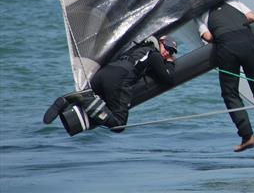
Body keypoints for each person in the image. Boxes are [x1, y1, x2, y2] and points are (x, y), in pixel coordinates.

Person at [198, 0, 254, 152]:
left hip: (227, 47)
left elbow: (207, 37)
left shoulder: (201, 14)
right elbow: (252, 16)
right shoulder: (233, 1)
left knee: (230, 93)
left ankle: (248, 137)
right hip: (248, 42)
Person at [43, 35, 178, 132]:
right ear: (159, 42)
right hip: (120, 78)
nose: (167, 52)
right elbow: (168, 79)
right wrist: (171, 63)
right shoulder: (154, 55)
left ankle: (65, 100)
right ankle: (84, 100)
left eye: (171, 52)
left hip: (104, 73)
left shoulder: (137, 47)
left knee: (100, 103)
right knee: (119, 124)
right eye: (166, 47)